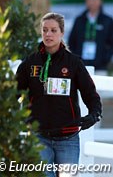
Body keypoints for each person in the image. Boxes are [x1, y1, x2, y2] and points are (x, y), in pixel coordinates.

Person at [16, 12, 102, 177]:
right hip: (38, 137)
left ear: (62, 33)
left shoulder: (74, 63)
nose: (48, 34)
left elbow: (90, 94)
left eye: (53, 30)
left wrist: (94, 114)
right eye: (45, 30)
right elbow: (14, 93)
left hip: (68, 139)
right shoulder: (30, 62)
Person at [68, 0, 113, 71]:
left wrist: (105, 58)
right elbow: (72, 41)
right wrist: (75, 58)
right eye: (88, 0)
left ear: (100, 1)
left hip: (100, 66)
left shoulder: (108, 21)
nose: (91, 2)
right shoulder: (79, 20)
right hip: (81, 65)